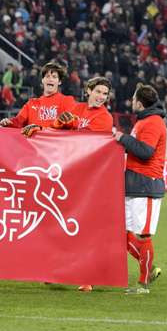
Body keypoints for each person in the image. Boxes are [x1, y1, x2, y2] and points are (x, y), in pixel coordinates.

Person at [51, 77, 113, 291]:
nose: (101, 97)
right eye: (98, 91)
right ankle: (60, 270)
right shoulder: (77, 108)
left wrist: (73, 124)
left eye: (105, 94)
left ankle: (88, 277)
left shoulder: (105, 118)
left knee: (86, 229)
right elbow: (56, 129)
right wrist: (60, 122)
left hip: (92, 180)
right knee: (63, 225)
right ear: (88, 91)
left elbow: (92, 144)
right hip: (70, 176)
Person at [113, 84, 166, 295]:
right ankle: (150, 267)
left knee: (143, 236)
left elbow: (145, 152)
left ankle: (143, 284)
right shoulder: (144, 121)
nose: (131, 101)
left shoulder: (153, 122)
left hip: (147, 185)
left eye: (133, 98)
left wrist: (123, 138)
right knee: (122, 234)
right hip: (135, 184)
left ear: (140, 102)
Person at [0, 62, 76, 136]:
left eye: (54, 77)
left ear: (59, 82)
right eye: (47, 76)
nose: (50, 79)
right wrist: (9, 122)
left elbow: (73, 124)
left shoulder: (67, 100)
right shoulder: (32, 103)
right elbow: (19, 121)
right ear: (42, 80)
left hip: (57, 148)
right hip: (34, 148)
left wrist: (42, 129)